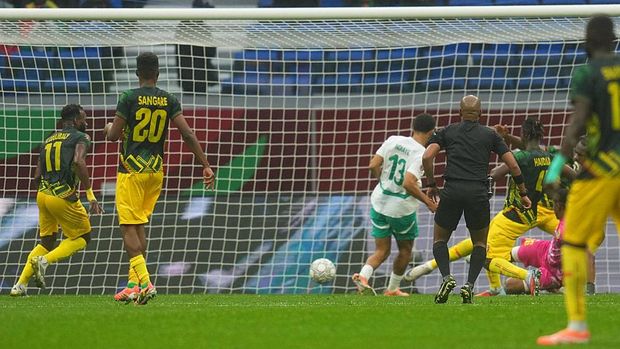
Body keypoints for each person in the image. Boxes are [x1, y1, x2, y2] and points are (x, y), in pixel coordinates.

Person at [104, 52, 215, 305]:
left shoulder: (128, 97)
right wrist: (206, 165)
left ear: (136, 73)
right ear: (158, 73)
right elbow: (187, 133)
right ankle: (133, 285)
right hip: (155, 171)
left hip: (132, 171)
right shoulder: (169, 99)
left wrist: (108, 128)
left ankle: (146, 282)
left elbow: (113, 136)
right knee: (140, 225)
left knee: (127, 227)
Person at [538, 15, 620, 345]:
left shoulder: (587, 73)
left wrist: (556, 168)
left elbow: (577, 124)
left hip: (599, 169)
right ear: (614, 40)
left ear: (587, 43)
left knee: (572, 241)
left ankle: (577, 325)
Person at [423, 95, 531, 304]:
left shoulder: (447, 131)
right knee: (480, 243)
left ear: (459, 112)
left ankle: (446, 278)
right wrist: (523, 193)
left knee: (439, 241)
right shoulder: (490, 135)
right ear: (481, 114)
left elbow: (427, 156)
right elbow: (514, 165)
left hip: (452, 190)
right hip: (478, 194)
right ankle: (469, 286)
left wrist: (431, 184)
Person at [10, 104, 103, 296]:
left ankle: (19, 286)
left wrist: (47, 193)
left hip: (42, 195)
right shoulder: (81, 137)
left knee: (46, 241)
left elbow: (36, 176)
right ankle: (44, 262)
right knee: (83, 237)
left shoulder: (48, 140)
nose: (85, 123)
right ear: (76, 120)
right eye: (84, 119)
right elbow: (78, 161)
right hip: (62, 195)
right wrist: (90, 194)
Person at [352, 113, 437, 297]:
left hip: (379, 203)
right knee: (405, 250)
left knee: (381, 250)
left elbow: (373, 164)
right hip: (401, 210)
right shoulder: (422, 154)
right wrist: (428, 202)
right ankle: (392, 289)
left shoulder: (393, 140)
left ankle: (364, 276)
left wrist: (382, 181)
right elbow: (408, 183)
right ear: (431, 133)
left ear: (413, 128)